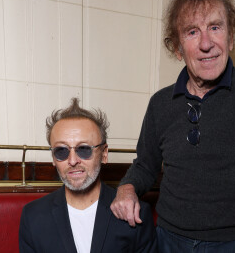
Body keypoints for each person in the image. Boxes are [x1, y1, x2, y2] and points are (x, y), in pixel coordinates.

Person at [110, 0, 235, 252]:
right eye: (192, 32)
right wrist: (127, 187)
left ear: (230, 36)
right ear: (178, 48)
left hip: (234, 244)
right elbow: (145, 165)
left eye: (215, 27)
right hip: (168, 240)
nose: (207, 43)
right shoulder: (160, 103)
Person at [19, 98, 157, 253]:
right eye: (61, 151)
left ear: (104, 153)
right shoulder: (33, 216)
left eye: (84, 149)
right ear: (53, 158)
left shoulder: (134, 213)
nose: (72, 161)